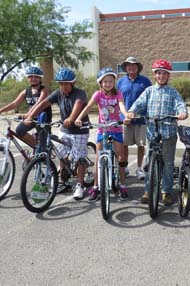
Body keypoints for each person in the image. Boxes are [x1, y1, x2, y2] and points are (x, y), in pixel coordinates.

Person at [126, 59, 188, 206]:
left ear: (168, 76)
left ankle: (166, 191)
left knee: (168, 162)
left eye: (164, 73)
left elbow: (180, 104)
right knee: (149, 161)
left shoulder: (173, 92)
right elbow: (139, 104)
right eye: (158, 73)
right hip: (152, 131)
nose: (161, 76)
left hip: (168, 131)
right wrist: (132, 111)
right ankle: (148, 190)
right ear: (155, 75)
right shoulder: (149, 91)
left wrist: (182, 113)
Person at [24, 68, 89, 200]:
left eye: (66, 83)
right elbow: (43, 104)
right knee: (61, 155)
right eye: (61, 83)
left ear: (72, 83)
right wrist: (30, 116)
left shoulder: (79, 93)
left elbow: (78, 105)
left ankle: (80, 185)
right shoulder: (58, 93)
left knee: (80, 158)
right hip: (65, 130)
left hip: (80, 130)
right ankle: (64, 181)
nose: (63, 86)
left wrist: (71, 118)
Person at [75, 67, 128, 201]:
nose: (108, 84)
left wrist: (126, 116)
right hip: (102, 129)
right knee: (98, 158)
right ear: (100, 83)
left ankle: (122, 185)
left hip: (115, 129)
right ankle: (96, 187)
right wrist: (79, 118)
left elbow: (121, 105)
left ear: (114, 82)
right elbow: (88, 107)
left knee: (121, 158)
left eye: (110, 81)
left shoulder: (118, 94)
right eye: (105, 81)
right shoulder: (98, 94)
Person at [0, 66, 50, 146]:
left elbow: (38, 104)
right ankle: (37, 146)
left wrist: (28, 115)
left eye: (36, 77)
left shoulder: (44, 90)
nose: (33, 79)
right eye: (31, 76)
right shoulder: (26, 91)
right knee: (19, 130)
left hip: (43, 118)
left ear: (40, 78)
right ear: (28, 78)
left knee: (43, 141)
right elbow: (15, 103)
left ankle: (43, 149)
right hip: (30, 118)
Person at [117, 56, 152, 180]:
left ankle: (139, 168)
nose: (131, 67)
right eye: (128, 65)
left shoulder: (145, 81)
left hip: (141, 119)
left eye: (133, 65)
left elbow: (150, 99)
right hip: (125, 119)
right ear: (126, 67)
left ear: (138, 67)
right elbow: (116, 100)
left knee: (140, 145)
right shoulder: (120, 82)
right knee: (124, 145)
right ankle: (125, 167)